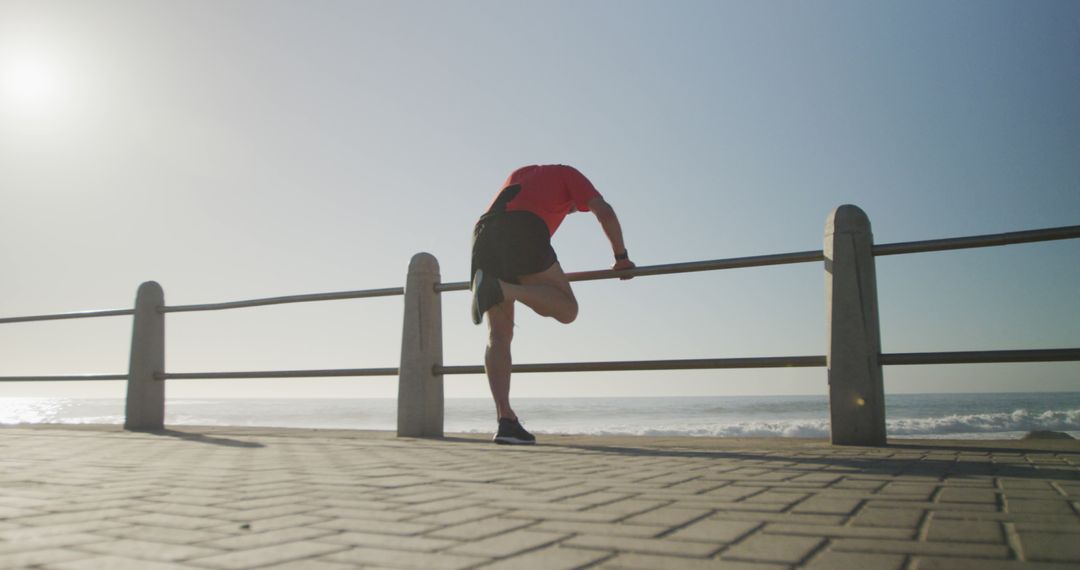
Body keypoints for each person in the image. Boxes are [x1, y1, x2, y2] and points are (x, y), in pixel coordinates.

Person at [470, 164, 635, 444]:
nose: (571, 212)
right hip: (522, 229)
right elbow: (603, 210)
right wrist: (621, 258)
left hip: (483, 235)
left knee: (498, 336)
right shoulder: (568, 174)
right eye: (573, 209)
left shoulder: (520, 174)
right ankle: (503, 288)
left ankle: (505, 421)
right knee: (567, 309)